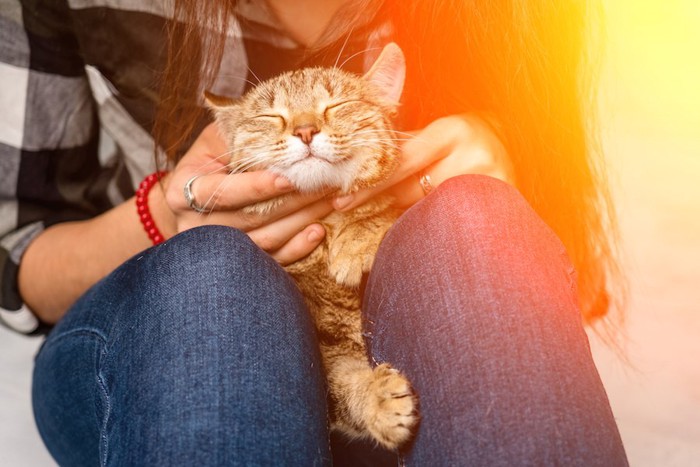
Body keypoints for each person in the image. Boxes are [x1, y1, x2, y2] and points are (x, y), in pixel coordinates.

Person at [0, 0, 628, 465]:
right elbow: (20, 248)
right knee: (214, 275)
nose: (303, 131)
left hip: (411, 358)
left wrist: (506, 165)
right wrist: (169, 218)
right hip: (144, 348)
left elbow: (578, 282)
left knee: (472, 218)